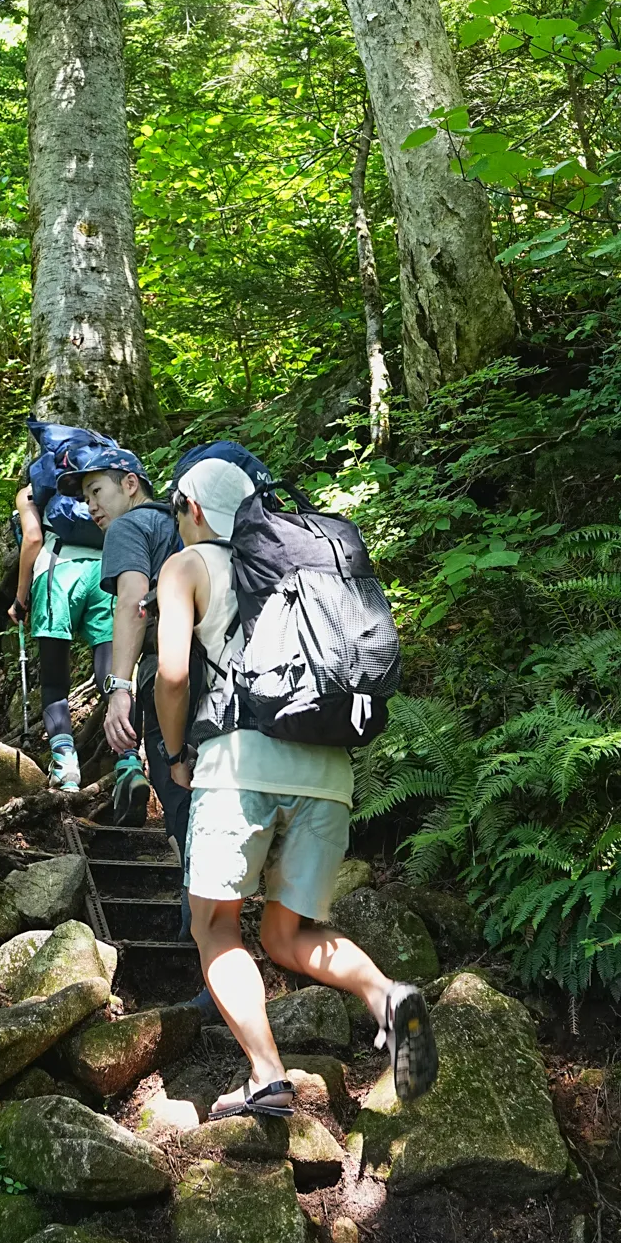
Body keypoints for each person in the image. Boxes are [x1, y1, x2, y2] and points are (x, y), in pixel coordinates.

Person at [153, 454, 436, 1120]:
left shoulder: (187, 567)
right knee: (286, 935)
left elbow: (171, 675)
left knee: (214, 926)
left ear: (192, 509)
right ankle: (388, 996)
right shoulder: (303, 567)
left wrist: (174, 755)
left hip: (239, 764)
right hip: (327, 769)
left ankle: (266, 1075)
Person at [77, 448, 184, 835]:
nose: (90, 505)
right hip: (222, 673)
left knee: (181, 807)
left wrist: (120, 689)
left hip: (170, 675)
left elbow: (132, 603)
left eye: (96, 490)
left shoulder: (128, 528)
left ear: (131, 483)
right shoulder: (183, 523)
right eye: (85, 498)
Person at [10, 430, 115, 792]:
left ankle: (66, 764)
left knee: (55, 681)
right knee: (112, 670)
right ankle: (129, 759)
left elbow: (34, 539)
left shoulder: (29, 494)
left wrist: (20, 598)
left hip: (58, 573)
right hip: (104, 572)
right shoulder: (94, 487)